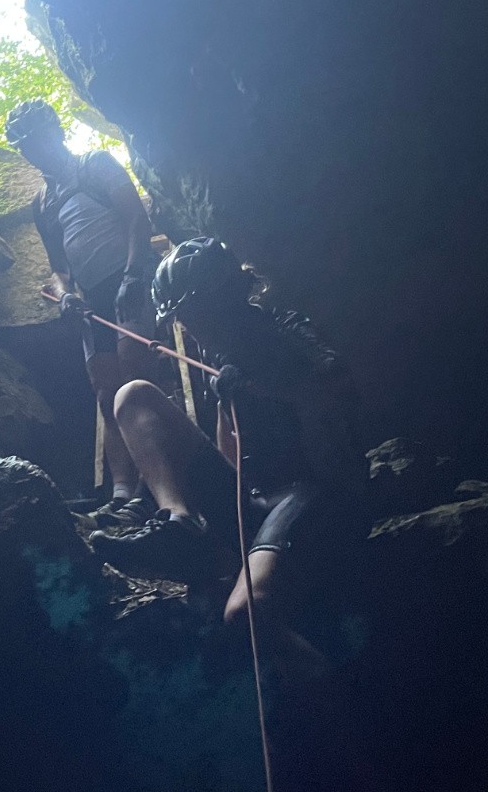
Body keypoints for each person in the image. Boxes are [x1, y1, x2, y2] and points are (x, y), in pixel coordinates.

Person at [89, 237, 367, 635]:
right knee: (133, 396)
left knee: (245, 613)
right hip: (254, 497)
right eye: (183, 317)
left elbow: (335, 390)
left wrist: (259, 385)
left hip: (309, 492)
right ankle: (179, 521)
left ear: (225, 300)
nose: (191, 327)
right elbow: (232, 456)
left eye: (194, 314)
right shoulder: (218, 360)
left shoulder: (284, 329)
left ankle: (320, 683)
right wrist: (224, 404)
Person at [4, 99, 157, 513]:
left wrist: (133, 274)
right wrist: (65, 293)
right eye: (23, 146)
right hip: (91, 300)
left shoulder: (96, 164)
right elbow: (59, 267)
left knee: (134, 382)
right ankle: (121, 492)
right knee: (106, 392)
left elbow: (136, 218)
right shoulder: (42, 202)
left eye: (34, 141)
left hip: (129, 280)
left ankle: (151, 487)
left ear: (54, 133)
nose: (31, 152)